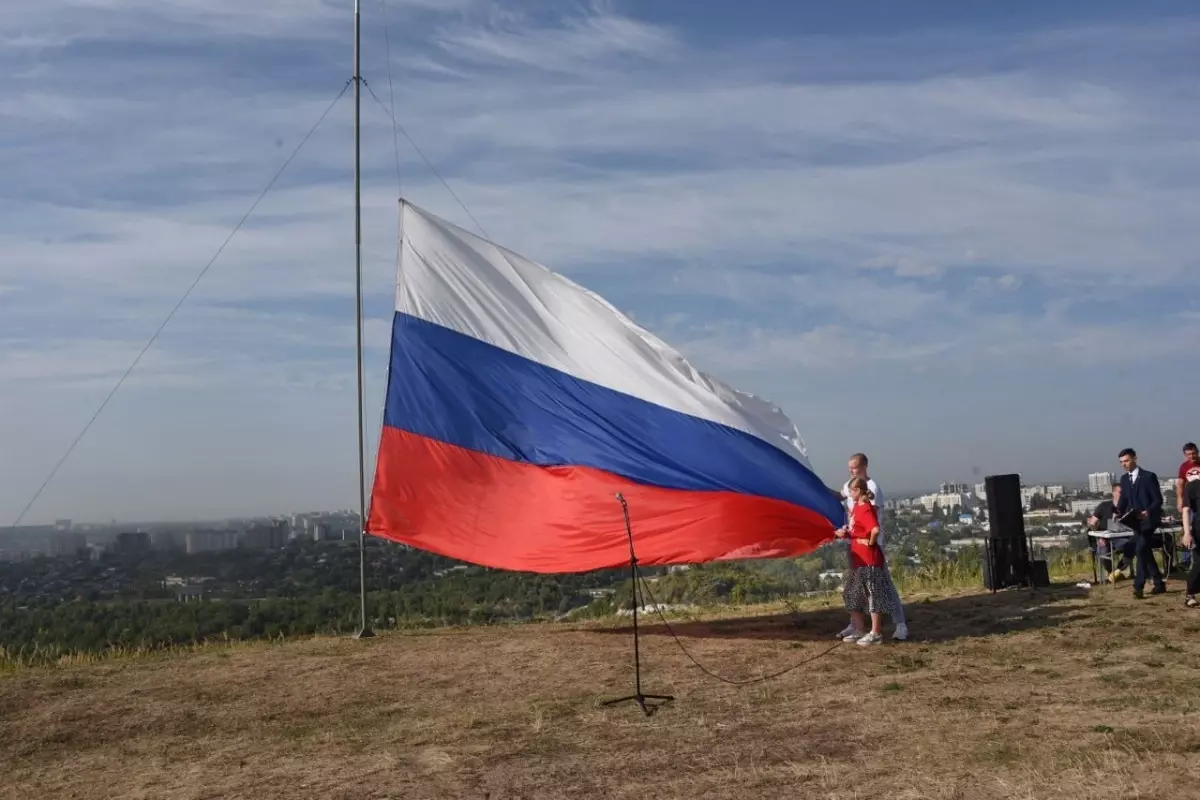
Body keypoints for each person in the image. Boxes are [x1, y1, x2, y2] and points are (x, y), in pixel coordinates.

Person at [834, 453, 908, 641]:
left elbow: (870, 523)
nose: (851, 470)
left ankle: (899, 624)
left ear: (864, 467)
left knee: (881, 586)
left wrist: (870, 542)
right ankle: (857, 625)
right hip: (855, 546)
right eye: (849, 467)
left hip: (870, 549)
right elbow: (840, 496)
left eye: (854, 467)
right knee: (856, 586)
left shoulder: (871, 489)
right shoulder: (850, 485)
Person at [1115, 447, 1166, 599]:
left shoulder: (1148, 476)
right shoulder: (1124, 479)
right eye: (1121, 462)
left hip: (1149, 520)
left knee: (1140, 549)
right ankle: (1159, 583)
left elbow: (1158, 499)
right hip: (1135, 522)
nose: (1123, 464)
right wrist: (1117, 511)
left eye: (1126, 461)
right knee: (1144, 551)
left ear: (1135, 459)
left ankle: (1138, 586)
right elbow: (1124, 499)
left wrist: (1148, 512)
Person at [1087, 483, 1133, 579]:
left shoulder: (1129, 507)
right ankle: (1112, 572)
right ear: (1113, 493)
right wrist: (1099, 536)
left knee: (1133, 545)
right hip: (1105, 538)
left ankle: (1118, 571)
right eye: (1120, 492)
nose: (1123, 495)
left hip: (1122, 538)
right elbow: (1092, 524)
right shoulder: (1104, 506)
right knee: (1103, 552)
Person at [1182, 479, 1200, 608]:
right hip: (1199, 527)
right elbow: (1186, 510)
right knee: (1199, 562)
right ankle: (1190, 593)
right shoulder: (1193, 486)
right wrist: (1187, 532)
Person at [1177, 442, 1200, 521]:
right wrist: (1180, 500)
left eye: (1193, 453)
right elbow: (1180, 484)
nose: (1191, 456)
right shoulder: (1184, 466)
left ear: (1197, 452)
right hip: (1192, 500)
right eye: (1189, 454)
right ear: (1185, 455)